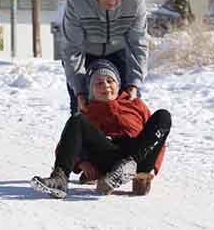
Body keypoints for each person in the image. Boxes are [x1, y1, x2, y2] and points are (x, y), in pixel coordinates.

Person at [31, 59, 171, 199]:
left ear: (118, 84)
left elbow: (159, 139)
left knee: (163, 116)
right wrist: (82, 163)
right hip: (110, 157)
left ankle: (131, 167)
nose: (106, 86)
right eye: (99, 83)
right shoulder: (89, 111)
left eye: (110, 81)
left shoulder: (135, 104)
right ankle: (59, 179)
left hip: (139, 154)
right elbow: (64, 146)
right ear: (91, 90)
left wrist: (152, 167)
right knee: (76, 120)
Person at [61, 0, 148, 115]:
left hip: (119, 53)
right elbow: (72, 48)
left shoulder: (136, 2)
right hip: (85, 55)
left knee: (128, 106)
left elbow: (138, 44)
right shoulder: (77, 0)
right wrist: (80, 92)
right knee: (83, 109)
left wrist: (133, 85)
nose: (113, 0)